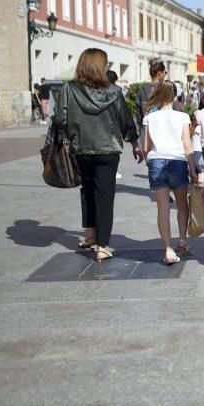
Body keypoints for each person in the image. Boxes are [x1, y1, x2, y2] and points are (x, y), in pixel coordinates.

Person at [53, 48, 142, 262]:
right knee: (105, 195)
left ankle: (90, 235)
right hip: (108, 150)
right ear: (101, 66)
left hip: (81, 148)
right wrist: (134, 142)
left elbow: (60, 120)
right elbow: (125, 120)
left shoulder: (69, 89)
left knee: (87, 190)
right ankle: (102, 246)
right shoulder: (113, 91)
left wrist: (71, 132)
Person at [142, 81, 199, 265]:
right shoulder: (182, 116)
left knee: (163, 209)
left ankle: (168, 250)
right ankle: (182, 241)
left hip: (157, 162)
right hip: (178, 163)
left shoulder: (150, 117)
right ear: (174, 97)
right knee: (182, 205)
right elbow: (187, 144)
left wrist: (149, 161)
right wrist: (193, 170)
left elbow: (146, 147)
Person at [107, 70, 123, 180]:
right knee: (113, 150)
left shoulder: (96, 89)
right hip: (113, 126)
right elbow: (122, 113)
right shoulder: (117, 91)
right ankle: (114, 171)